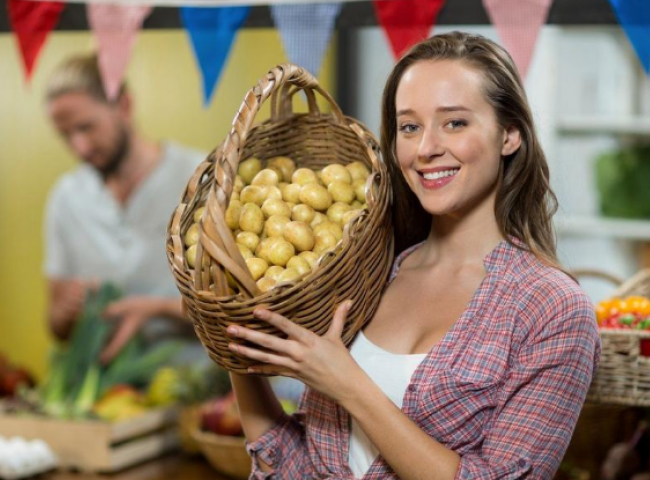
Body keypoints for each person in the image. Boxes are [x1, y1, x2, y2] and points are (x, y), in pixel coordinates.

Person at [226, 31, 601, 480]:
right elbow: (292, 463)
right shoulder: (367, 269)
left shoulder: (551, 308)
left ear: (510, 135)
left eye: (455, 123)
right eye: (409, 127)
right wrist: (235, 335)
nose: (425, 149)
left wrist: (347, 383)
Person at [43, 54, 206, 364]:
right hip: (110, 399)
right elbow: (56, 327)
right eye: (65, 136)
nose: (80, 147)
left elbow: (242, 309)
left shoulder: (200, 179)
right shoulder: (66, 198)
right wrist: (65, 311)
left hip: (202, 394)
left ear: (124, 106)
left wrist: (156, 309)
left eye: (86, 128)